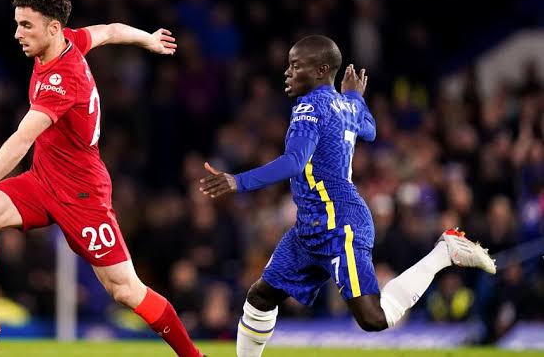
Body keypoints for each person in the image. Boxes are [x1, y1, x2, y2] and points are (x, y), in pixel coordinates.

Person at [199, 35, 496, 357]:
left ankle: (444, 252)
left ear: (321, 70)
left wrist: (238, 181)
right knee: (260, 296)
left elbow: (294, 161)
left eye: (296, 66)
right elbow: (370, 129)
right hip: (310, 226)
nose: (286, 72)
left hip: (340, 224)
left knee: (373, 319)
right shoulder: (346, 105)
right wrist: (355, 98)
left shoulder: (309, 106)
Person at [0, 0, 204, 357]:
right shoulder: (69, 40)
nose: (17, 34)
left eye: (27, 25)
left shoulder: (63, 79)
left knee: (125, 290)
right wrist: (148, 40)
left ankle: (194, 356)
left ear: (53, 28)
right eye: (17, 24)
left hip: (82, 194)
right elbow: (109, 31)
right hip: (43, 181)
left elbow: (22, 139)